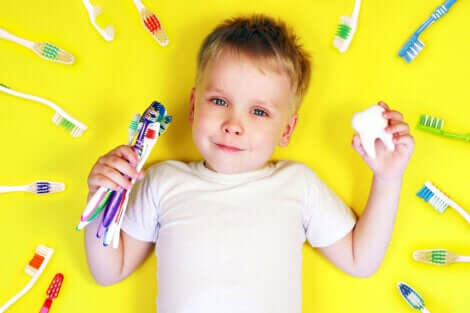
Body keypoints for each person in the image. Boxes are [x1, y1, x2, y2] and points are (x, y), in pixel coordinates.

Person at [84, 14, 414, 313]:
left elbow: (360, 259)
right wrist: (100, 195)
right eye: (219, 101)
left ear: (286, 129)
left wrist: (388, 179)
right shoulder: (161, 181)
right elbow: (108, 270)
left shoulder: (298, 185)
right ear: (193, 106)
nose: (233, 124)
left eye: (259, 112)